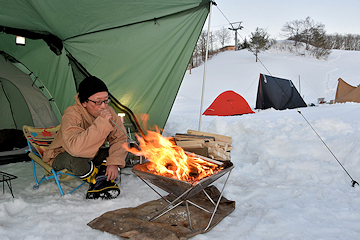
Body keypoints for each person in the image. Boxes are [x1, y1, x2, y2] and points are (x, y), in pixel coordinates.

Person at [43, 76, 128, 200]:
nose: (104, 106)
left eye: (106, 100)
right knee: (76, 159)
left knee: (122, 151)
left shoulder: (108, 111)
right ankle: (98, 181)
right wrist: (102, 123)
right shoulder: (72, 114)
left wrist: (114, 162)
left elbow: (120, 138)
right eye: (98, 101)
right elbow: (75, 149)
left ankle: (102, 177)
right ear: (84, 103)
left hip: (91, 153)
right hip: (63, 155)